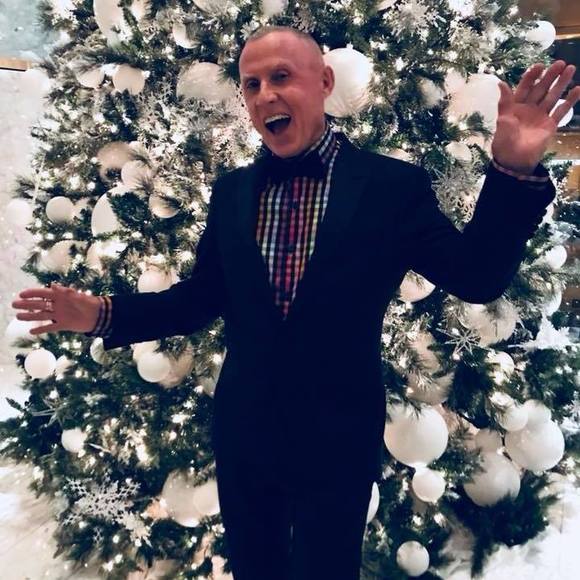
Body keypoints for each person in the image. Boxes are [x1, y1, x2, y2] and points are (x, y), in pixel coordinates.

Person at [12, 25, 580, 580]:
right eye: (251, 84)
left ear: (325, 82)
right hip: (245, 430)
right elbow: (201, 298)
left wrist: (513, 170)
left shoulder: (390, 187)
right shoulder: (232, 192)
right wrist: (102, 314)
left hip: (339, 434)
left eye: (281, 77)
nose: (265, 95)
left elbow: (477, 277)